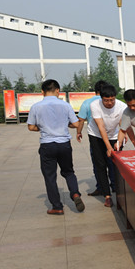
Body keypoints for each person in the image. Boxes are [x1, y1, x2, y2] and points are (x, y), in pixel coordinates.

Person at [26, 79, 84, 215]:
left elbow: (31, 127)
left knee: (50, 177)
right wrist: (65, 125)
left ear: (42, 92)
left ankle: (57, 206)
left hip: (47, 145)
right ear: (58, 90)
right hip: (64, 144)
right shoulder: (65, 105)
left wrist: (43, 128)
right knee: (69, 172)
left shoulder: (36, 107)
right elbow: (76, 124)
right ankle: (75, 193)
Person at [88, 84, 127, 207]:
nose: (109, 103)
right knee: (100, 164)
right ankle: (107, 195)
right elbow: (101, 128)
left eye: (112, 100)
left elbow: (123, 124)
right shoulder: (95, 105)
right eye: (106, 100)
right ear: (101, 98)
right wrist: (109, 148)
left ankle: (119, 193)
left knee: (116, 164)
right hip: (96, 136)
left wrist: (122, 137)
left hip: (114, 135)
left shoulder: (122, 106)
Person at [75, 80, 107, 196]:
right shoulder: (109, 101)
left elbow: (81, 120)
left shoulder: (87, 102)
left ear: (95, 90)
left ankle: (101, 187)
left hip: (95, 137)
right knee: (111, 162)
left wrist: (78, 132)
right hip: (110, 135)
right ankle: (114, 185)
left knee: (98, 162)